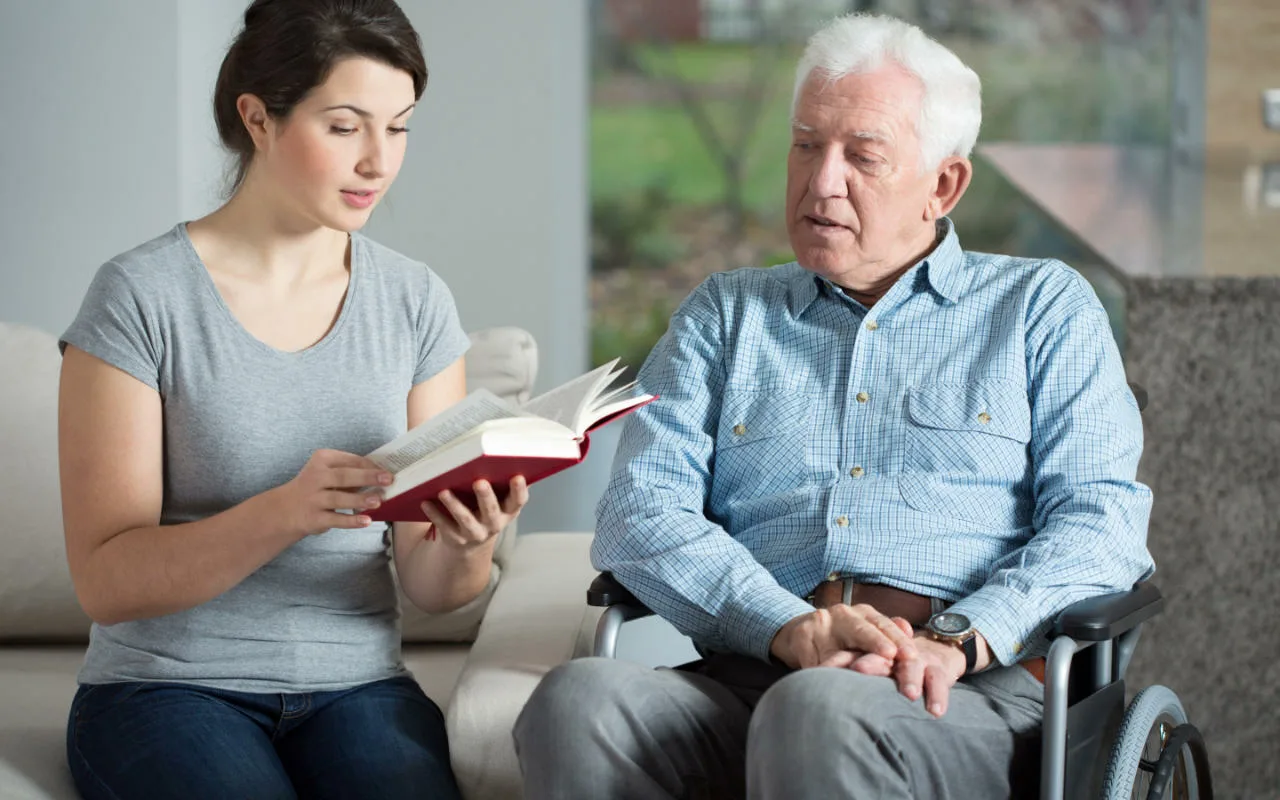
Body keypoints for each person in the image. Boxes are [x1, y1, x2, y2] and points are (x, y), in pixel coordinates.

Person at [514, 13, 1153, 799]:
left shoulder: (1038, 309)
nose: (822, 181)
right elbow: (639, 513)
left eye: (863, 156)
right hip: (756, 670)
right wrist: (789, 629)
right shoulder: (725, 316)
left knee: (816, 711)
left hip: (958, 695)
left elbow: (1100, 524)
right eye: (807, 144)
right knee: (575, 702)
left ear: (943, 185)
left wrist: (954, 639)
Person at [57, 1, 526, 797]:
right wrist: (283, 512)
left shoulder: (415, 302)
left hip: (360, 689)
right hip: (165, 691)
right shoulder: (140, 297)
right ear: (259, 119)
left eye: (400, 127)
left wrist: (469, 540)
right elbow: (106, 580)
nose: (379, 161)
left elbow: (434, 591)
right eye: (346, 127)